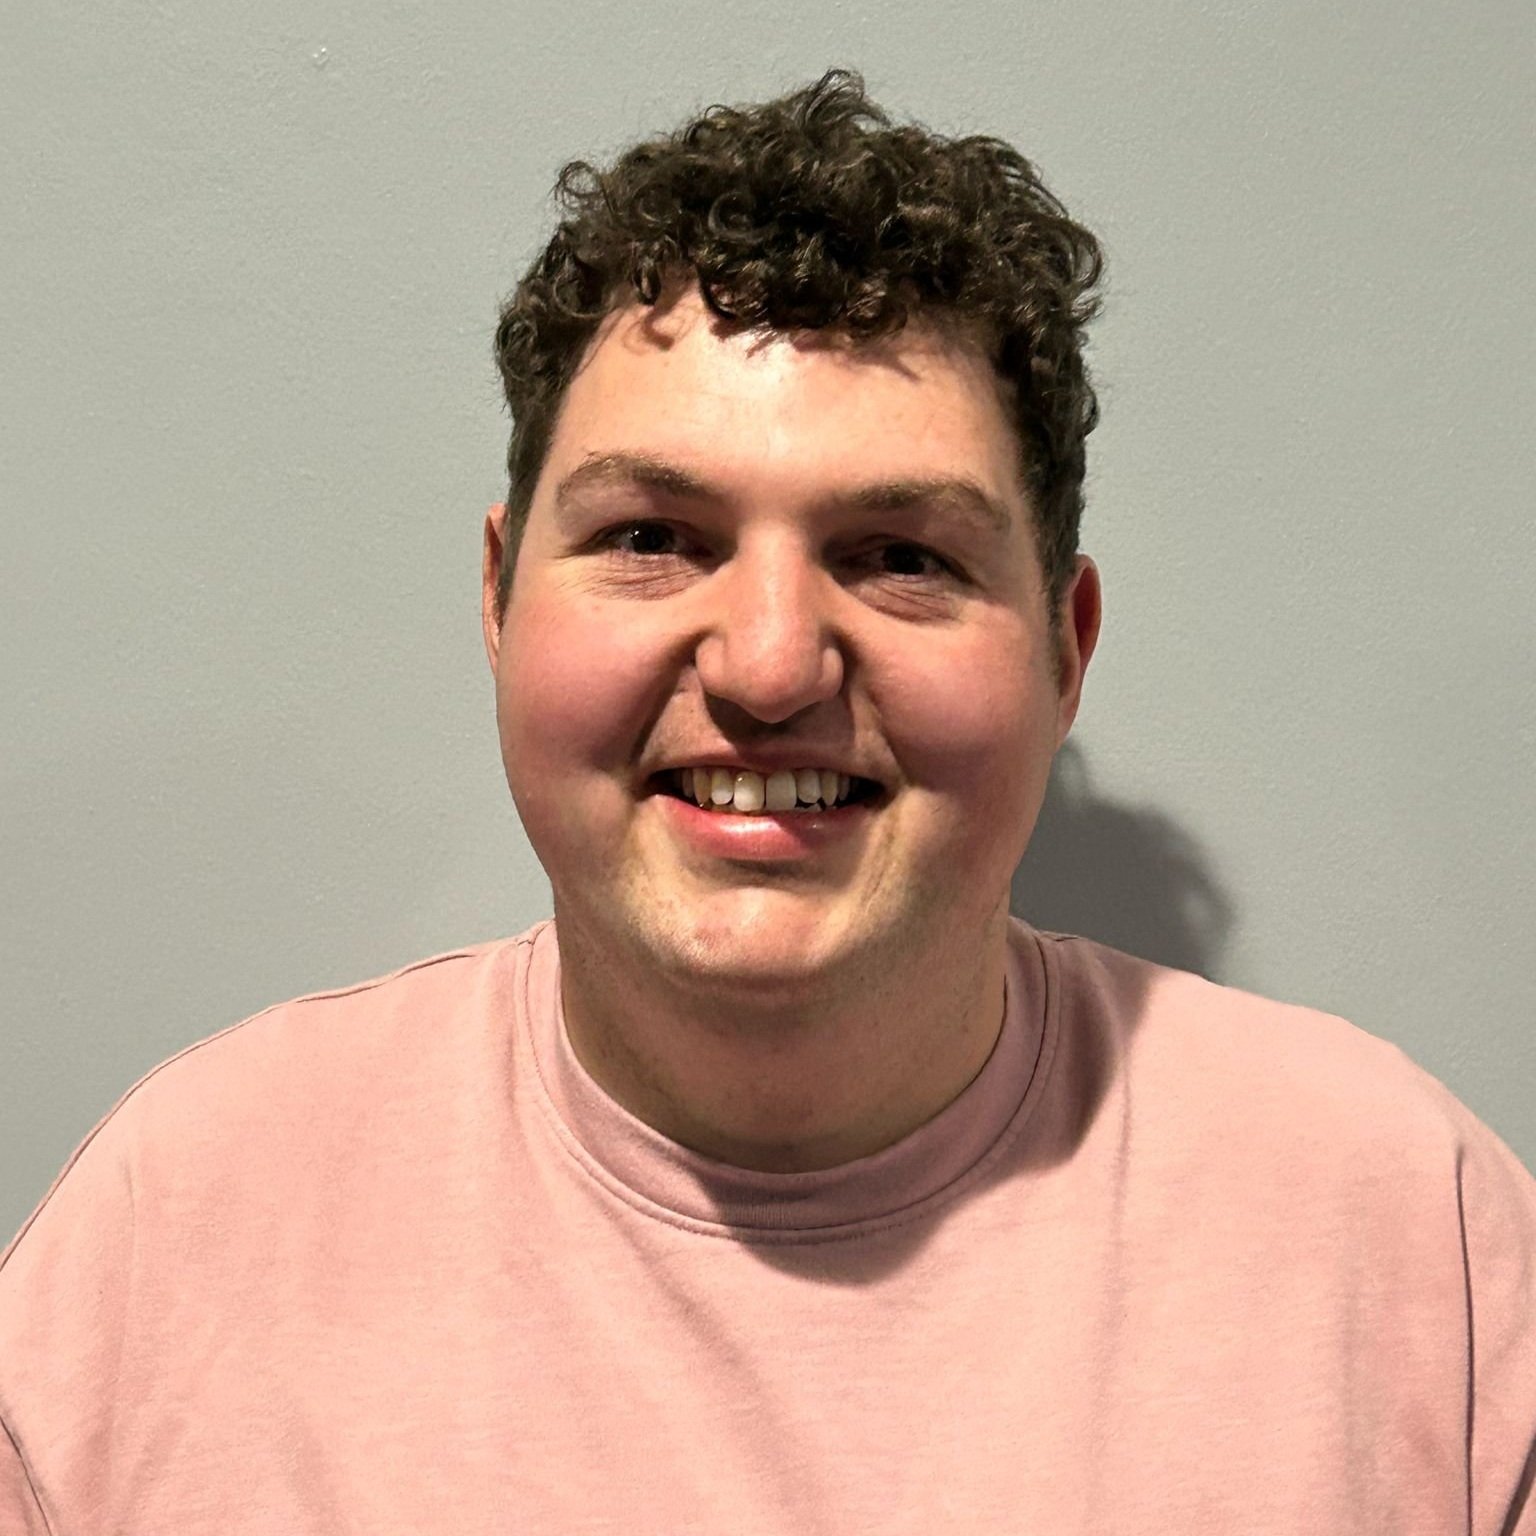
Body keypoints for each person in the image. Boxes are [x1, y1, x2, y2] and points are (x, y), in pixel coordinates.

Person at [2, 67, 1532, 1534]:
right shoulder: (174, 1238)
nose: (771, 663)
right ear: (499, 597)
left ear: (1066, 651)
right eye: (653, 537)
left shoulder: (1410, 1243)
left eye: (903, 557)